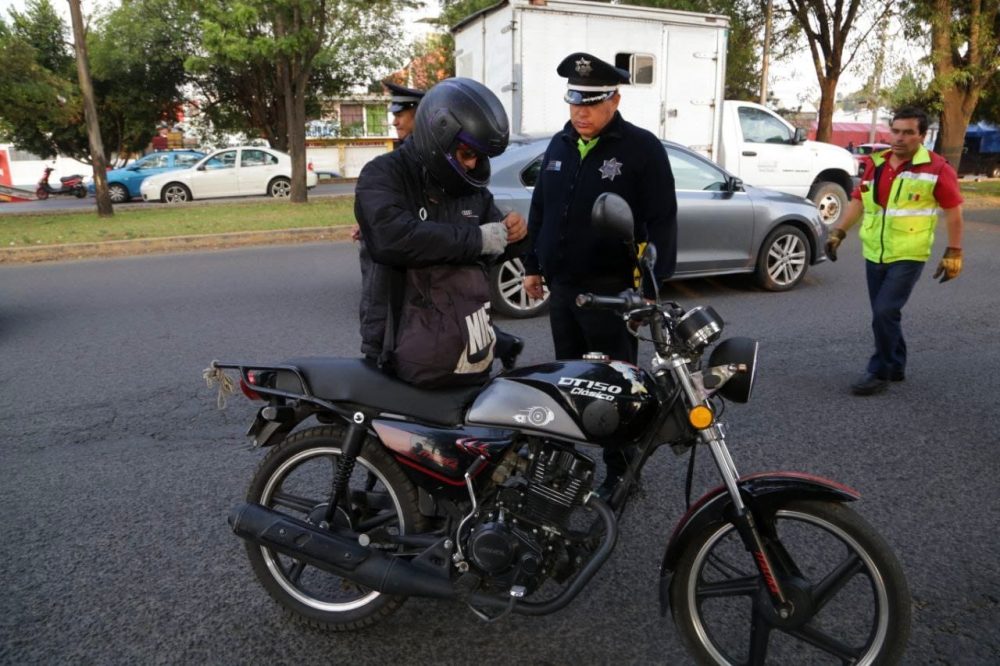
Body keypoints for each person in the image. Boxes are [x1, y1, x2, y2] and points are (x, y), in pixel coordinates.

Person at [521, 52, 678, 496]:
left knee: (616, 387)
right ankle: (565, 466)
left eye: (591, 103)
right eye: (574, 102)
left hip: (612, 294)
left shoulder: (641, 148)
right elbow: (542, 209)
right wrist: (533, 265)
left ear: (615, 99)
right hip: (564, 289)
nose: (580, 112)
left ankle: (623, 472)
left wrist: (651, 288)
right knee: (566, 381)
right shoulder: (560, 143)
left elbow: (663, 220)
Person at [355, 77, 528, 387]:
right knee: (395, 433)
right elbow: (392, 238)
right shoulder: (384, 174)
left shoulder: (471, 188)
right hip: (398, 349)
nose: (473, 165)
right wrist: (478, 239)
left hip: (467, 347)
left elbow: (494, 249)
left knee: (471, 433)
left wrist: (514, 234)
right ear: (440, 135)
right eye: (466, 154)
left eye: (479, 156)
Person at [825, 106, 964, 396]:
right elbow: (858, 201)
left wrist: (954, 251)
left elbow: (953, 212)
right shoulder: (877, 163)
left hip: (909, 254)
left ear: (922, 136)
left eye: (908, 132)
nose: (899, 138)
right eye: (896, 131)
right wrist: (839, 231)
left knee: (885, 311)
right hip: (874, 251)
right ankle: (897, 363)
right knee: (884, 313)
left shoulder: (937, 168)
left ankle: (879, 371)